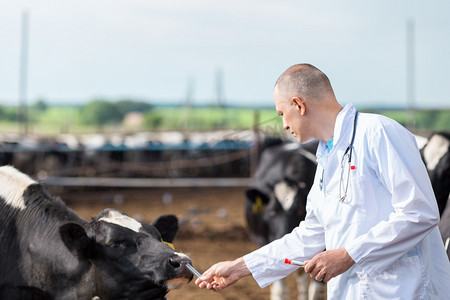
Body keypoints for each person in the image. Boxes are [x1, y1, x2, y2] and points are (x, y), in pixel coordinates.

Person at [196, 63, 450, 299]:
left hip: (407, 290)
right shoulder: (326, 158)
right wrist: (240, 266)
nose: (283, 125)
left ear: (299, 104)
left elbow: (420, 211)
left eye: (282, 113)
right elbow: (310, 236)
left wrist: (349, 255)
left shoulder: (377, 133)